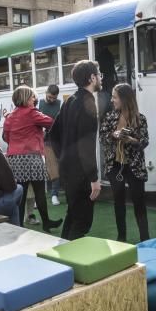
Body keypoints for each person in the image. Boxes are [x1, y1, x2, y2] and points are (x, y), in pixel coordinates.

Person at [50, 60, 102, 240]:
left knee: (73, 215)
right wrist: (94, 178)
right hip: (81, 173)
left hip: (67, 169)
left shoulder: (69, 100)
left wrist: (63, 156)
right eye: (99, 74)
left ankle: (61, 259)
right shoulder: (88, 103)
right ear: (92, 77)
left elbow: (52, 135)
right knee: (81, 222)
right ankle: (69, 263)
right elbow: (86, 147)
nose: (100, 77)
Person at [3, 85, 62, 232]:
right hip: (32, 157)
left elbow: (6, 137)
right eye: (32, 97)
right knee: (39, 192)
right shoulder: (32, 112)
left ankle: (19, 225)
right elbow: (51, 122)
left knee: (20, 193)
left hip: (15, 159)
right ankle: (46, 222)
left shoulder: (10, 117)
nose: (34, 99)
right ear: (26, 99)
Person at [100, 83, 150, 242]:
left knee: (139, 202)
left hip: (134, 166)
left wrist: (131, 140)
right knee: (118, 202)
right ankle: (121, 238)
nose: (112, 100)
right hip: (115, 165)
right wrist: (114, 135)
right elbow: (102, 139)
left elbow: (145, 142)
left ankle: (145, 238)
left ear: (124, 98)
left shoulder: (140, 118)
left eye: (115, 97)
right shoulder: (109, 117)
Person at [38, 84, 63, 206]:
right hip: (44, 140)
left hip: (57, 139)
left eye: (54, 98)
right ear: (46, 92)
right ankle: (53, 195)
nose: (52, 100)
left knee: (58, 167)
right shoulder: (39, 103)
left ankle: (55, 194)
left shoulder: (60, 103)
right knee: (52, 167)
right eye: (50, 97)